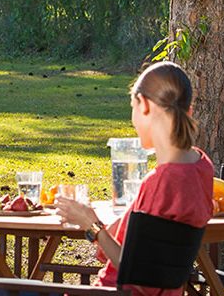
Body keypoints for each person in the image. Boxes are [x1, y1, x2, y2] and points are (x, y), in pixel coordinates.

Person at [55, 61, 213, 295]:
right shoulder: (201, 166)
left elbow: (142, 278)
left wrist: (92, 225)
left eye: (133, 106)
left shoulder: (161, 181)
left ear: (145, 105)